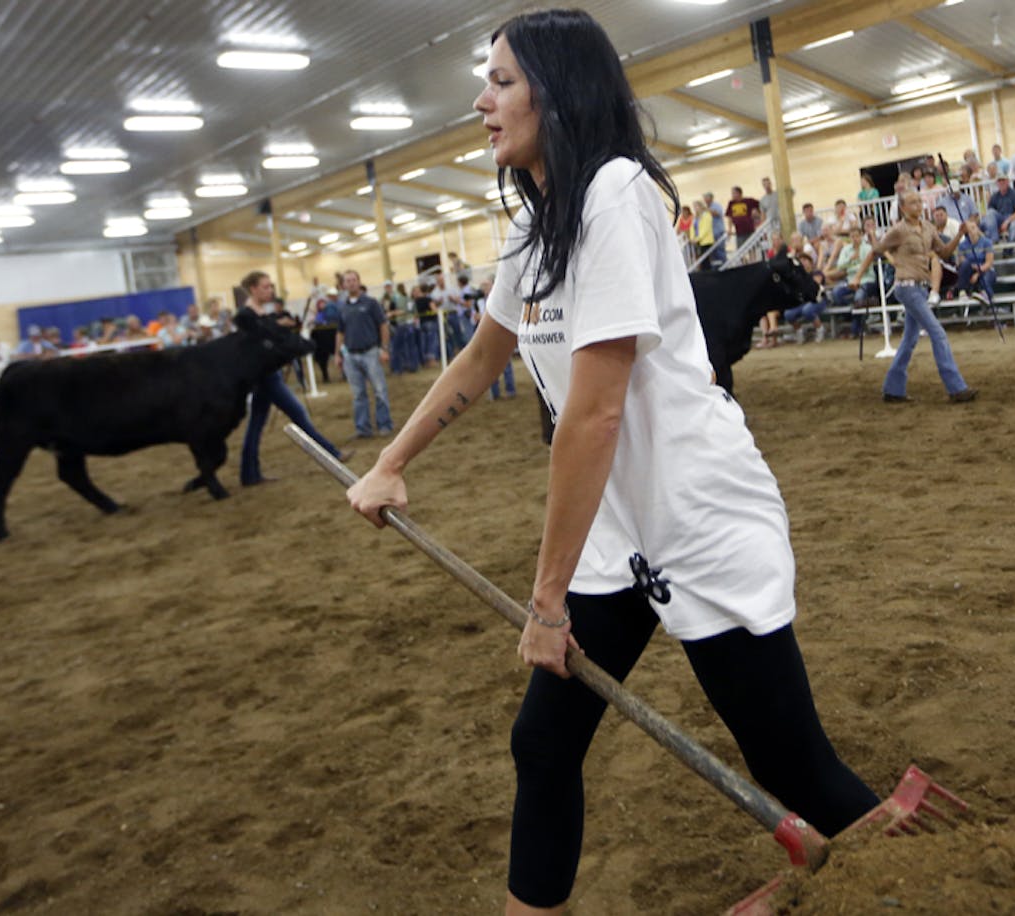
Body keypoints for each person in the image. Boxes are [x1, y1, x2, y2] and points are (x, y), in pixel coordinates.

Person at [347, 12, 882, 914]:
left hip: (700, 514)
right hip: (613, 533)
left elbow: (591, 416)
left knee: (794, 765)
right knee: (544, 745)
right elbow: (483, 358)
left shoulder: (616, 195)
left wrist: (547, 602)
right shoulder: (534, 230)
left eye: (502, 80)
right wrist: (392, 462)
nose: (482, 100)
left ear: (558, 92)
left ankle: (953, 879)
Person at [852, 191, 977, 403]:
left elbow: (944, 252)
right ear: (902, 208)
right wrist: (858, 276)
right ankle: (956, 388)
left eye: (919, 201)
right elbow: (876, 251)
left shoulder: (928, 227)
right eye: (912, 203)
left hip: (920, 287)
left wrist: (959, 235)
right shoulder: (898, 231)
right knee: (937, 333)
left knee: (909, 339)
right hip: (906, 287)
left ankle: (893, 388)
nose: (918, 205)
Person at [238, 271, 350, 486]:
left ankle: (249, 474)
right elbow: (260, 342)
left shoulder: (261, 313)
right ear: (253, 289)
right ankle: (332, 453)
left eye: (270, 286)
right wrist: (279, 329)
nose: (270, 290)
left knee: (256, 425)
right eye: (266, 286)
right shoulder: (246, 315)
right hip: (265, 377)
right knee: (298, 414)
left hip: (269, 374)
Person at [334, 270, 393, 438]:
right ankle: (363, 428)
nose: (351, 283)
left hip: (371, 352)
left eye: (353, 280)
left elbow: (383, 325)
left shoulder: (371, 303)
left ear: (359, 282)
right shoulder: (343, 307)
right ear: (344, 285)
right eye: (348, 281)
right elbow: (340, 332)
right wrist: (338, 354)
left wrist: (384, 348)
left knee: (380, 390)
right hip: (350, 356)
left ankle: (384, 424)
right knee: (358, 394)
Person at [954, 217, 996, 305]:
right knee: (965, 265)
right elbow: (962, 261)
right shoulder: (962, 246)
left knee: (989, 273)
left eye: (973, 228)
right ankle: (962, 292)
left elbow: (989, 262)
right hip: (970, 269)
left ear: (977, 228)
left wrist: (978, 273)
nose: (971, 231)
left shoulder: (986, 242)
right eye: (969, 229)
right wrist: (974, 269)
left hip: (984, 269)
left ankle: (986, 294)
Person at [981, 175, 1015, 244]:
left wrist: (1007, 221)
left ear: (1008, 181)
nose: (1001, 182)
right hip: (1001, 219)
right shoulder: (994, 196)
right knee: (989, 213)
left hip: (1014, 219)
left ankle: (1008, 250)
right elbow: (990, 214)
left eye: (1003, 180)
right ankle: (994, 240)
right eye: (999, 181)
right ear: (997, 183)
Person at [702, 191, 727, 267]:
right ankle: (717, 267)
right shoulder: (705, 208)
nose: (705, 199)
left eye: (707, 197)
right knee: (713, 252)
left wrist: (707, 210)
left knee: (720, 250)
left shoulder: (716, 205)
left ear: (711, 198)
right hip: (710, 234)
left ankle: (724, 265)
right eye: (704, 198)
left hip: (718, 231)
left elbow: (717, 213)